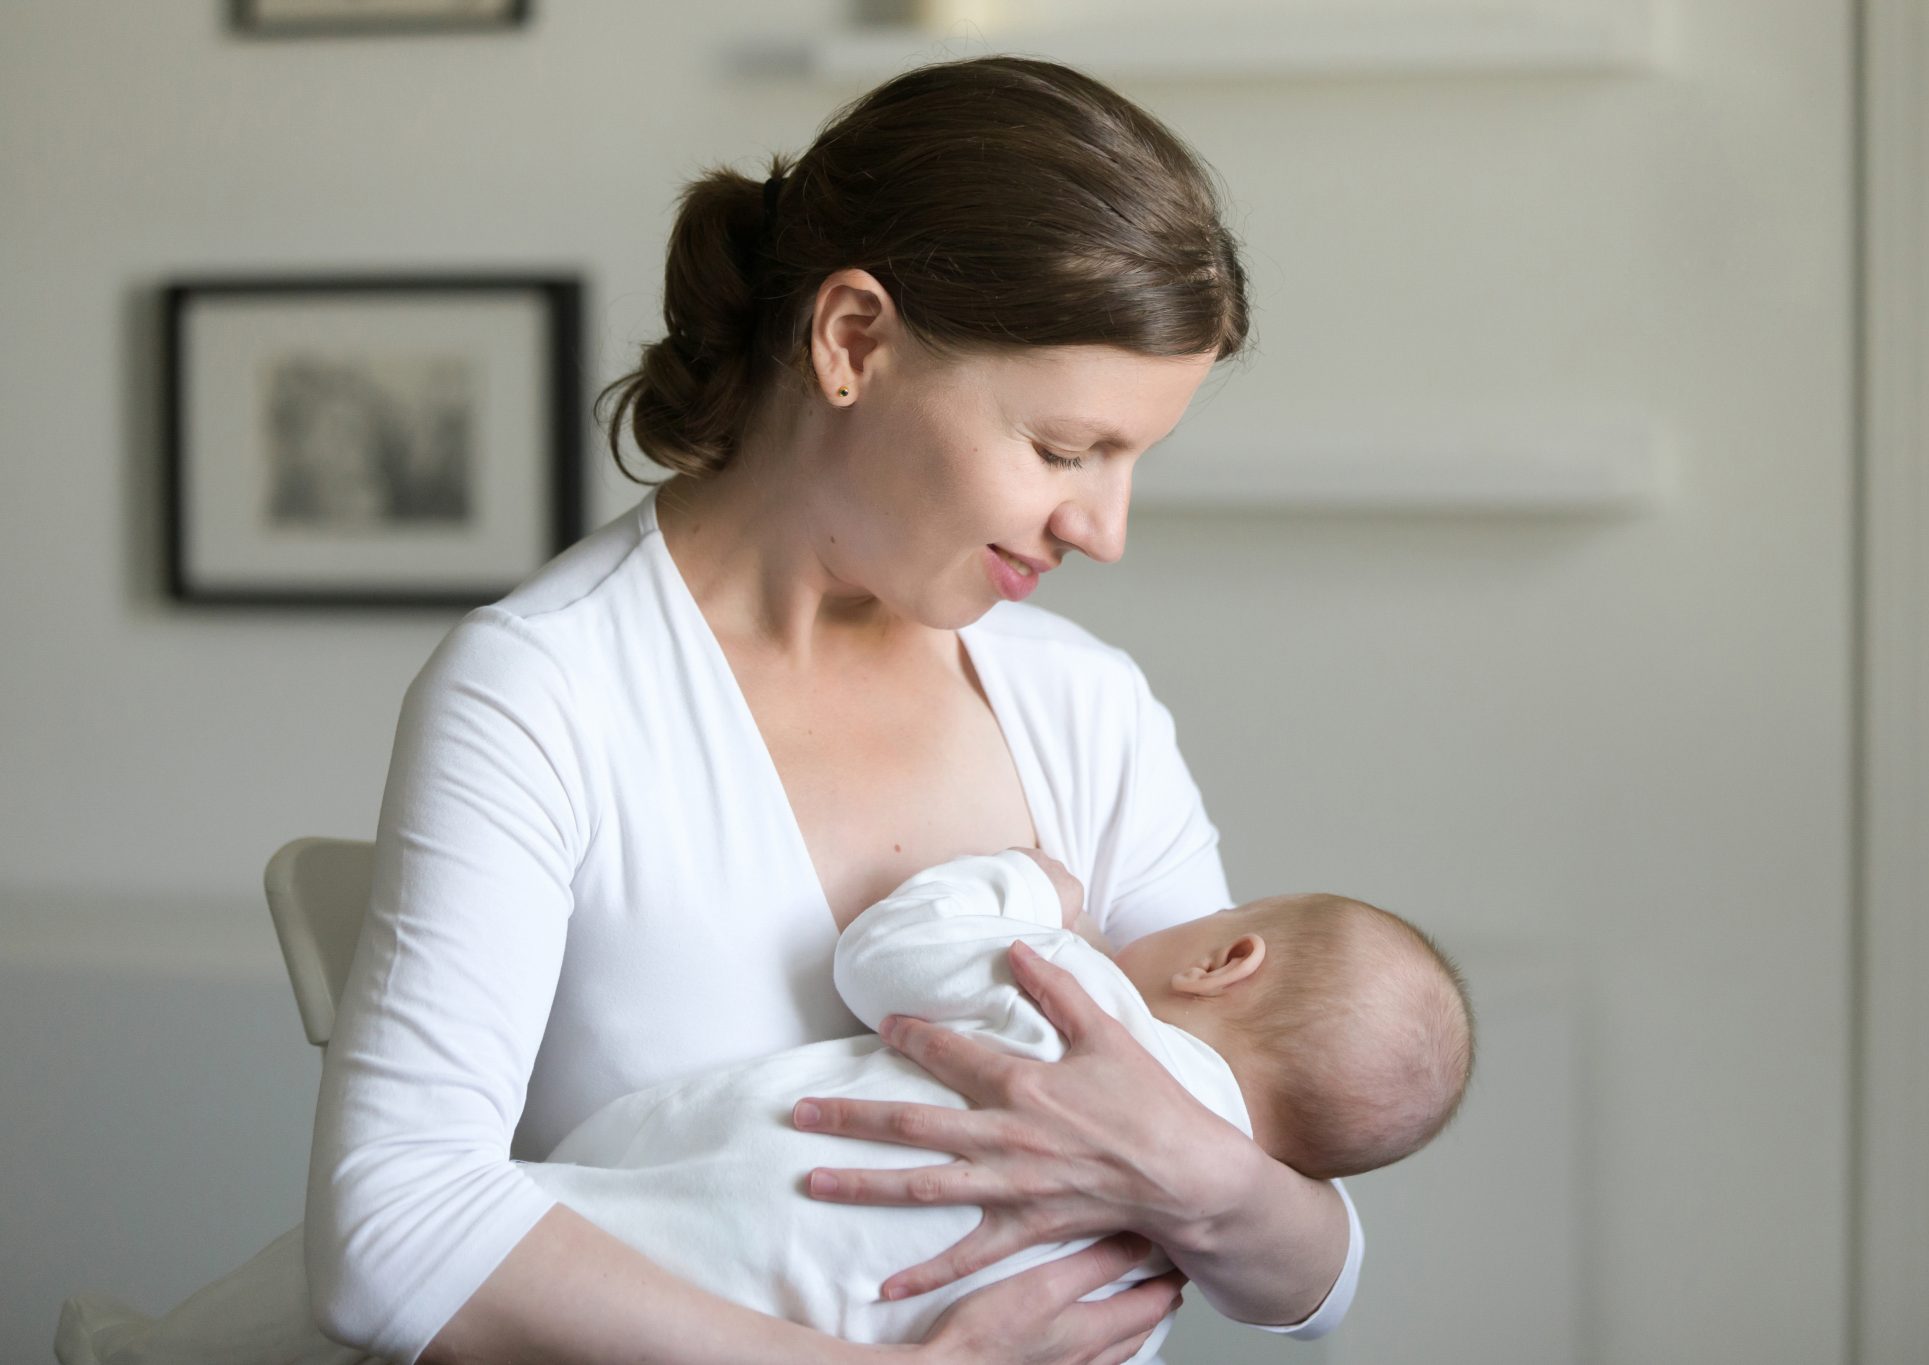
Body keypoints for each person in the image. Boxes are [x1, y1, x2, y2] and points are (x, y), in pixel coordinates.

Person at [304, 54, 1365, 1365]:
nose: (1105, 527)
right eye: (1062, 448)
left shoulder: (1083, 707)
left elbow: (1308, 1272)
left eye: (1134, 461)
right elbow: (394, 1223)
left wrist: (1198, 1179)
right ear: (853, 338)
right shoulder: (547, 692)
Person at [53, 848, 1470, 1365]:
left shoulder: (1086, 1005)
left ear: (1232, 957)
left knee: (348, 1285)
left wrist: (1029, 888)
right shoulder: (1175, 1252)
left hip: (688, 1242)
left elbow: (888, 954)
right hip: (873, 1322)